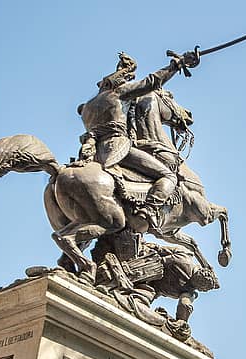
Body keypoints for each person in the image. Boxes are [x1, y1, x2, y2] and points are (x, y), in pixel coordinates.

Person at [78, 51, 199, 229]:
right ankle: (149, 210)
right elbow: (152, 82)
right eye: (128, 79)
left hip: (95, 152)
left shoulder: (87, 107)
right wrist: (176, 65)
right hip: (117, 148)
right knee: (168, 176)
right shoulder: (118, 94)